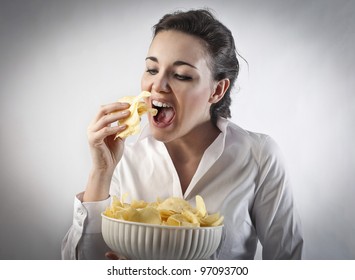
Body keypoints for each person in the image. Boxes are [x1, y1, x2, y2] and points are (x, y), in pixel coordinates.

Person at [61, 9, 303, 260]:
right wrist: (101, 171)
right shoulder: (123, 160)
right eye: (152, 69)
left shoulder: (260, 156)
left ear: (217, 90)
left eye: (181, 75)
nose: (158, 86)